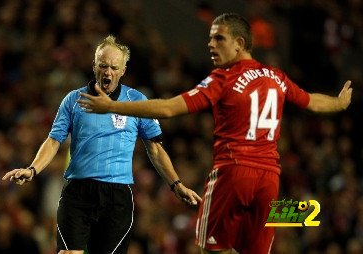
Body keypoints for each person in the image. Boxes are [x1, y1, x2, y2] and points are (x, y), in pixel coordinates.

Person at [77, 13, 353, 254]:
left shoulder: (224, 78)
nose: (210, 44)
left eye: (218, 38)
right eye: (210, 38)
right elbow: (312, 102)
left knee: (210, 249)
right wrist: (340, 103)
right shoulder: (276, 77)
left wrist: (114, 106)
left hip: (233, 173)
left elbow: (170, 108)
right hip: (269, 179)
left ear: (239, 43)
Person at [2, 35, 202, 254]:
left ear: (123, 70)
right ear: (94, 66)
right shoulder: (73, 99)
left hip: (116, 198)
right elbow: (53, 141)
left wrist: (176, 184)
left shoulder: (136, 101)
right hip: (77, 192)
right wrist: (33, 169)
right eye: (103, 65)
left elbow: (155, 148)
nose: (108, 72)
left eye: (114, 67)